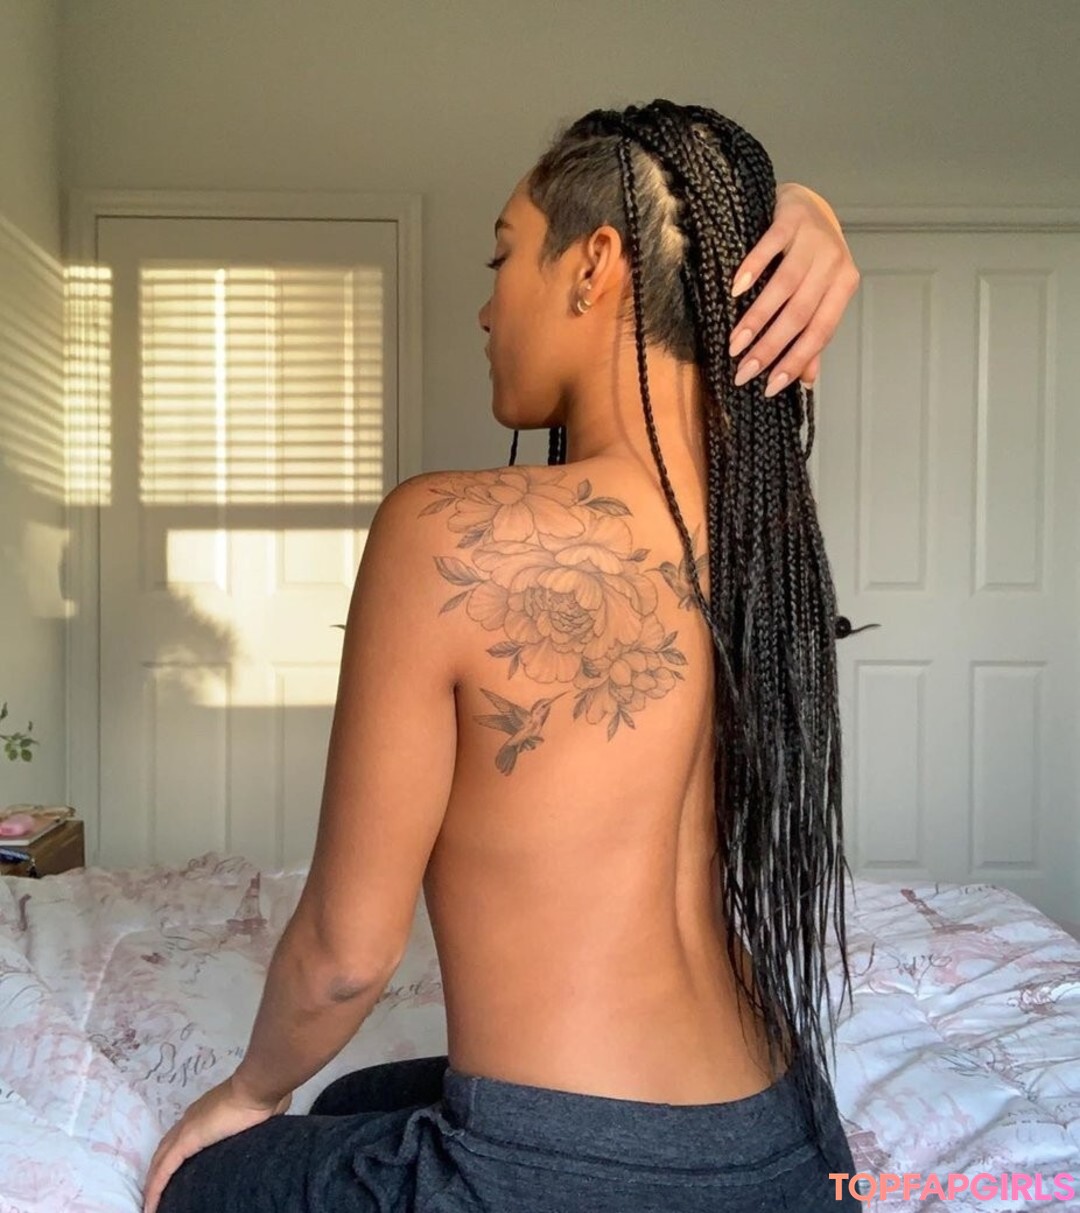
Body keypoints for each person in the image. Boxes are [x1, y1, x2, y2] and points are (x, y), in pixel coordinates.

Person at [145, 98, 863, 1213]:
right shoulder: (761, 535)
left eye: (502, 256)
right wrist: (806, 208)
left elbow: (344, 956)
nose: (485, 309)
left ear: (596, 265)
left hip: (560, 1175)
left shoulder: (441, 531)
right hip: (788, 1140)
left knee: (208, 1175)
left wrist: (243, 1092)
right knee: (355, 1100)